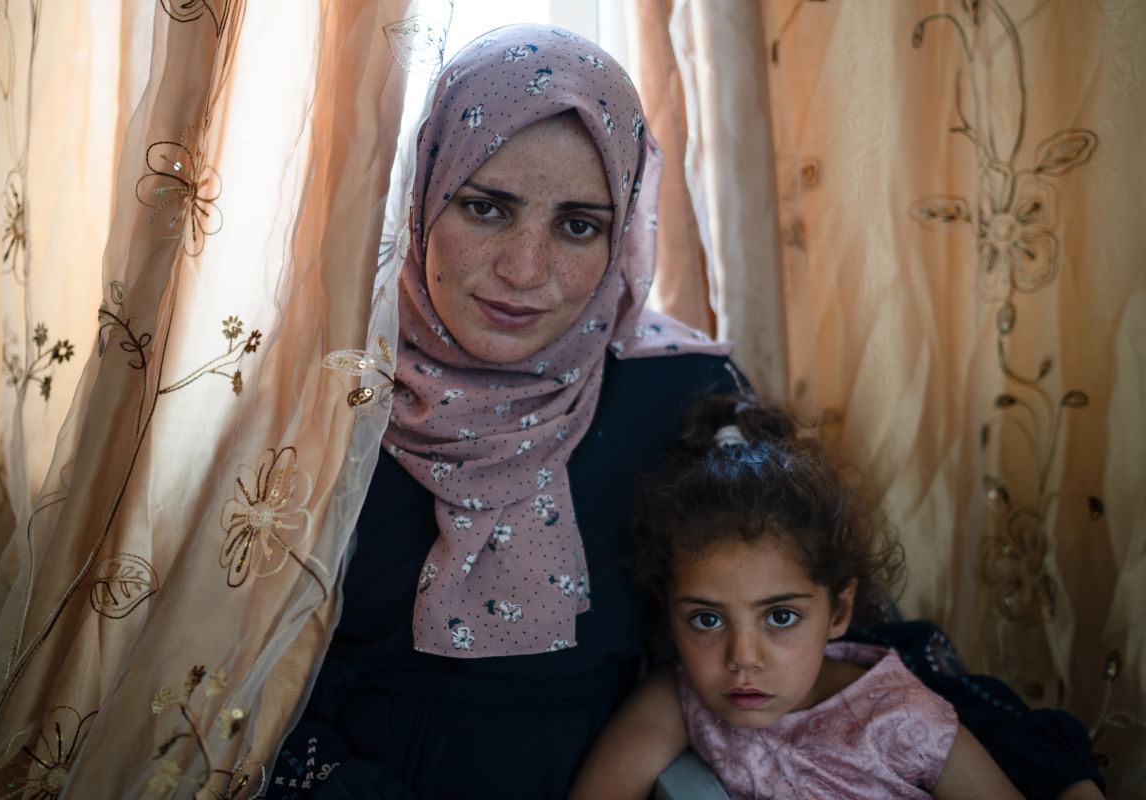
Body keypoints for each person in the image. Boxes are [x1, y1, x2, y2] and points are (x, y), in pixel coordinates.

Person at [270, 23, 1104, 800]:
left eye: (578, 225)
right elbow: (251, 690)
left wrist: (1051, 770)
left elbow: (835, 628)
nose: (525, 270)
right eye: (486, 207)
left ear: (625, 229)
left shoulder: (678, 390)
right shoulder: (326, 399)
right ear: (422, 195)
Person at [568, 396, 1023, 799]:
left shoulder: (904, 719)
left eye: (781, 616)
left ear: (839, 610)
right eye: (707, 620)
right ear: (669, 615)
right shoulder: (681, 697)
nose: (743, 659)